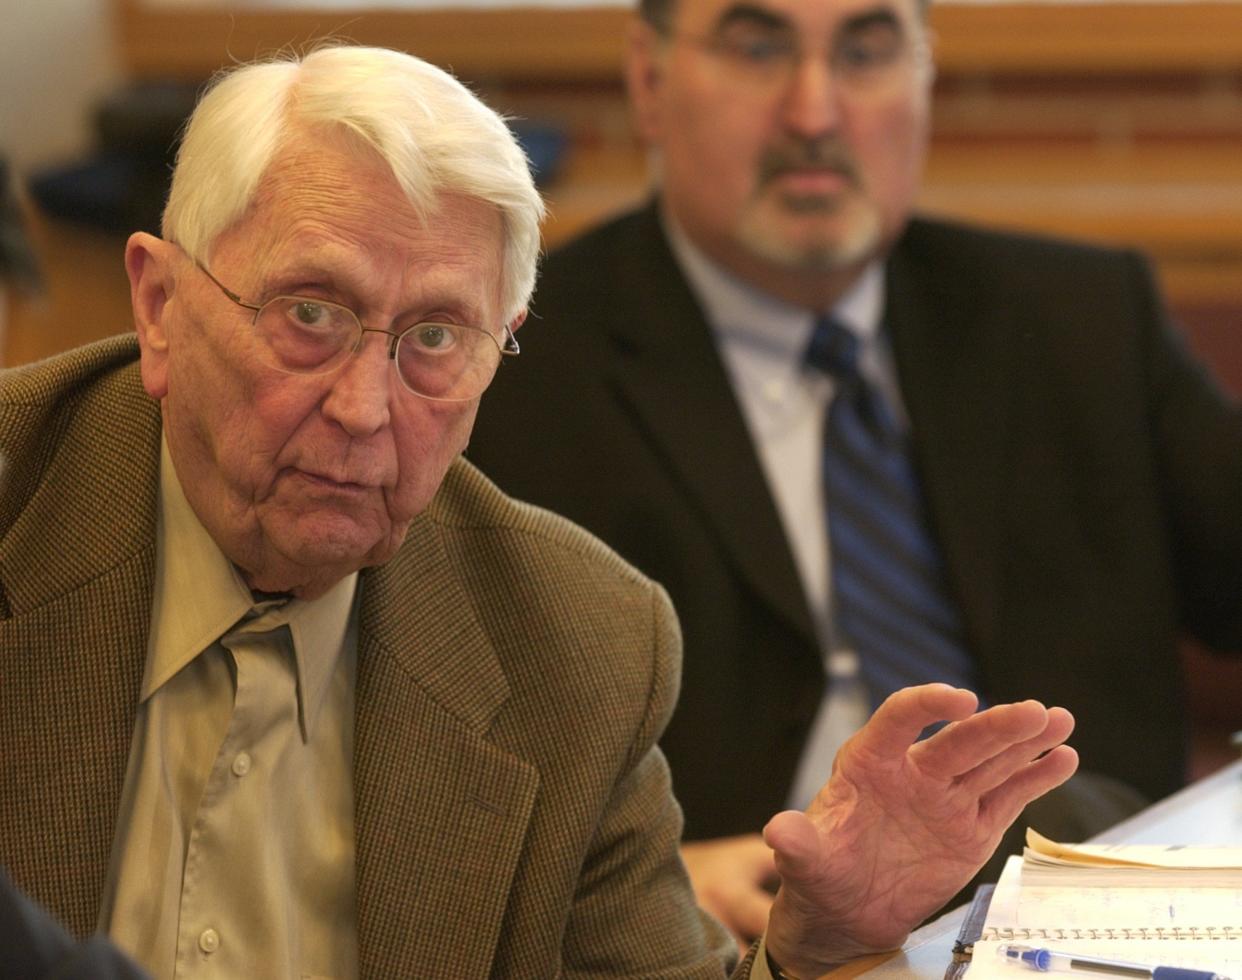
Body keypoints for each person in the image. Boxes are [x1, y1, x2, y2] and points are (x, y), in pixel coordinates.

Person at [0, 43, 1080, 980]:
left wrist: (814, 938)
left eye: (434, 338)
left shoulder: (577, 643)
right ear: (161, 308)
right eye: (310, 313)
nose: (364, 408)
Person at [465, 0, 1242, 946]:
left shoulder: (1079, 320)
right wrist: (637, 877)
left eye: (866, 51)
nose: (814, 113)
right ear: (650, 77)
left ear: (922, 77)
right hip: (730, 943)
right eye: (758, 47)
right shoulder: (509, 363)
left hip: (1088, 936)